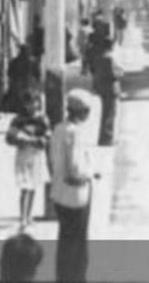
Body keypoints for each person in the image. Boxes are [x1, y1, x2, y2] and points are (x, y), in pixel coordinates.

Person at [49, 90, 98, 283]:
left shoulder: (59, 128)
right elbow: (75, 168)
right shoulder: (75, 133)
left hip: (60, 192)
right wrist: (90, 174)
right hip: (75, 194)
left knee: (65, 241)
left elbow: (55, 160)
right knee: (77, 245)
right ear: (81, 112)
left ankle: (63, 278)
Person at [6, 88, 50, 228]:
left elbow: (48, 136)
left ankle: (29, 215)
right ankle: (22, 217)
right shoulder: (18, 120)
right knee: (25, 186)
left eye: (34, 102)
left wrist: (42, 141)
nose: (31, 105)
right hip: (23, 154)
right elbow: (9, 137)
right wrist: (21, 139)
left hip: (36, 155)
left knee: (33, 186)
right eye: (28, 102)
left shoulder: (42, 119)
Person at [91, 38, 122, 146]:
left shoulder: (97, 58)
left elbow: (95, 74)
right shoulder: (109, 59)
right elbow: (113, 74)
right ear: (110, 47)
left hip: (101, 89)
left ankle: (103, 138)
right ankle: (108, 138)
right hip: (110, 89)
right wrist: (120, 72)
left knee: (105, 113)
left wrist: (95, 87)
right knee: (110, 114)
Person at [6, 43, 40, 112]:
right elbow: (38, 74)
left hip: (19, 83)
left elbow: (9, 73)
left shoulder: (15, 61)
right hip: (29, 83)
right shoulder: (33, 62)